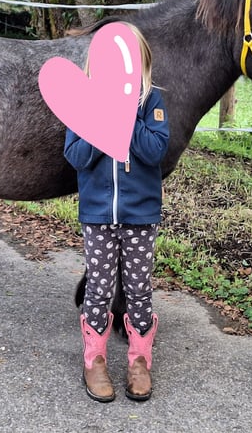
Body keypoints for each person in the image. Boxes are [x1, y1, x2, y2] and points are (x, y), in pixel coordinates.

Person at [64, 22, 170, 403]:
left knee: (139, 289)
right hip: (97, 216)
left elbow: (155, 151)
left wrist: (125, 115)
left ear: (142, 62)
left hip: (140, 216)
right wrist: (99, 121)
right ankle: (94, 361)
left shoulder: (152, 103)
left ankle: (139, 361)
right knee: (99, 288)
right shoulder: (84, 103)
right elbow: (76, 157)